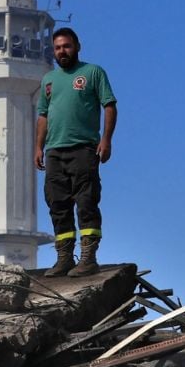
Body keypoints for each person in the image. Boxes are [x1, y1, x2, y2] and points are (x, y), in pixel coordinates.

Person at [34, 28, 117, 277]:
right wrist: (38, 147)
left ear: (77, 46)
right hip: (55, 151)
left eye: (67, 46)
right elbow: (43, 115)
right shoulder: (48, 79)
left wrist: (106, 140)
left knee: (86, 202)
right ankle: (64, 258)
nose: (62, 51)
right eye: (58, 47)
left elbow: (110, 106)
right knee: (57, 204)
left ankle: (88, 258)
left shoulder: (92, 72)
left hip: (83, 148)